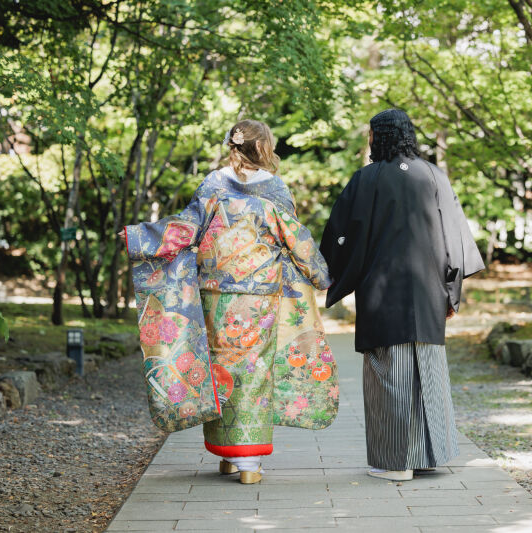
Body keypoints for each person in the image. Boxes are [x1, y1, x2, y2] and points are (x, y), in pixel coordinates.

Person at [122, 119, 339, 484]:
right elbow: (296, 238)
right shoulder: (275, 189)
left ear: (232, 146)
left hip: (216, 295)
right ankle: (249, 463)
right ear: (265, 148)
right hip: (259, 299)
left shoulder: (212, 185)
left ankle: (227, 456)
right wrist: (322, 275)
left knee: (220, 369)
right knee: (253, 371)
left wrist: (139, 237)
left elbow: (186, 228)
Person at [320, 109, 484, 481]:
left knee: (388, 371)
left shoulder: (367, 179)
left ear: (378, 138)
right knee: (428, 369)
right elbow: (455, 240)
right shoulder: (433, 175)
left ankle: (395, 462)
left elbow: (341, 236)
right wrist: (451, 293)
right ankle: (429, 454)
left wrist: (330, 274)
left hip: (383, 291)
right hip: (428, 292)